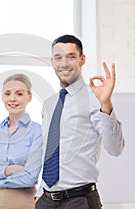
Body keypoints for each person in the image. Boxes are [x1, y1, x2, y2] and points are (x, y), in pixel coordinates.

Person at [35, 34, 125, 209]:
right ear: (52, 61)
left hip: (79, 200)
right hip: (46, 201)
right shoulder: (49, 104)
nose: (64, 63)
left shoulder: (94, 99)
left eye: (71, 56)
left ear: (82, 59)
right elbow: (48, 151)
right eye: (58, 57)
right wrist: (40, 193)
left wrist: (106, 104)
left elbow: (115, 149)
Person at [0, 74, 43, 209]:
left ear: (29, 97)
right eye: (7, 93)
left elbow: (30, 177)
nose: (12, 98)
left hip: (24, 202)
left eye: (19, 94)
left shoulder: (36, 130)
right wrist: (9, 170)